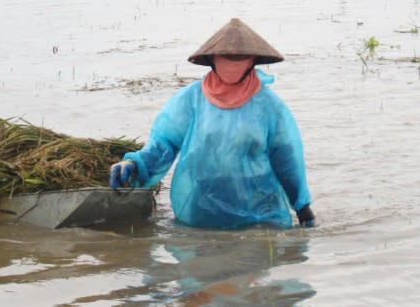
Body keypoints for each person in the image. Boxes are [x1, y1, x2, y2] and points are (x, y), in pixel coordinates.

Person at [109, 18, 315, 229]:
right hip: (202, 206)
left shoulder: (269, 106)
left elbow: (286, 159)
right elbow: (164, 144)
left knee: (256, 258)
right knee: (202, 260)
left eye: (241, 57)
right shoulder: (191, 99)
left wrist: (302, 207)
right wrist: (133, 164)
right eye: (225, 57)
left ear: (253, 60)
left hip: (259, 210)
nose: (232, 63)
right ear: (212, 60)